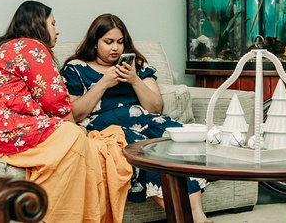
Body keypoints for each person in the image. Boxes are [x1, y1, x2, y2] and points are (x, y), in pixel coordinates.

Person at [0, 1, 132, 223]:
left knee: (78, 139)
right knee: (73, 136)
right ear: (38, 24)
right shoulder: (31, 47)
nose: (57, 30)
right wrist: (76, 129)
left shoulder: (9, 47)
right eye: (52, 24)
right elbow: (56, 102)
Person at [61, 14, 213, 223]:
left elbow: (155, 107)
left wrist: (134, 79)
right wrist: (103, 83)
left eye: (120, 42)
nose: (115, 48)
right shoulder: (75, 68)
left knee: (179, 143)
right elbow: (76, 114)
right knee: (146, 155)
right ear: (94, 43)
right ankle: (182, 218)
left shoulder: (137, 65)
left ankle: (197, 214)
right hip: (108, 126)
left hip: (147, 121)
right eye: (108, 42)